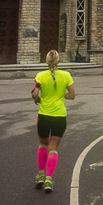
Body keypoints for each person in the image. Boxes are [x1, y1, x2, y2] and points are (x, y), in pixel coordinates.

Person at [31, 50, 75, 193]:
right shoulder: (66, 75)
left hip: (44, 115)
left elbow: (35, 94)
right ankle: (49, 179)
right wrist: (61, 95)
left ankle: (40, 175)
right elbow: (72, 95)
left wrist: (39, 99)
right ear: (58, 61)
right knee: (54, 147)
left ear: (46, 60)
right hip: (59, 116)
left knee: (43, 144)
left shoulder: (40, 76)